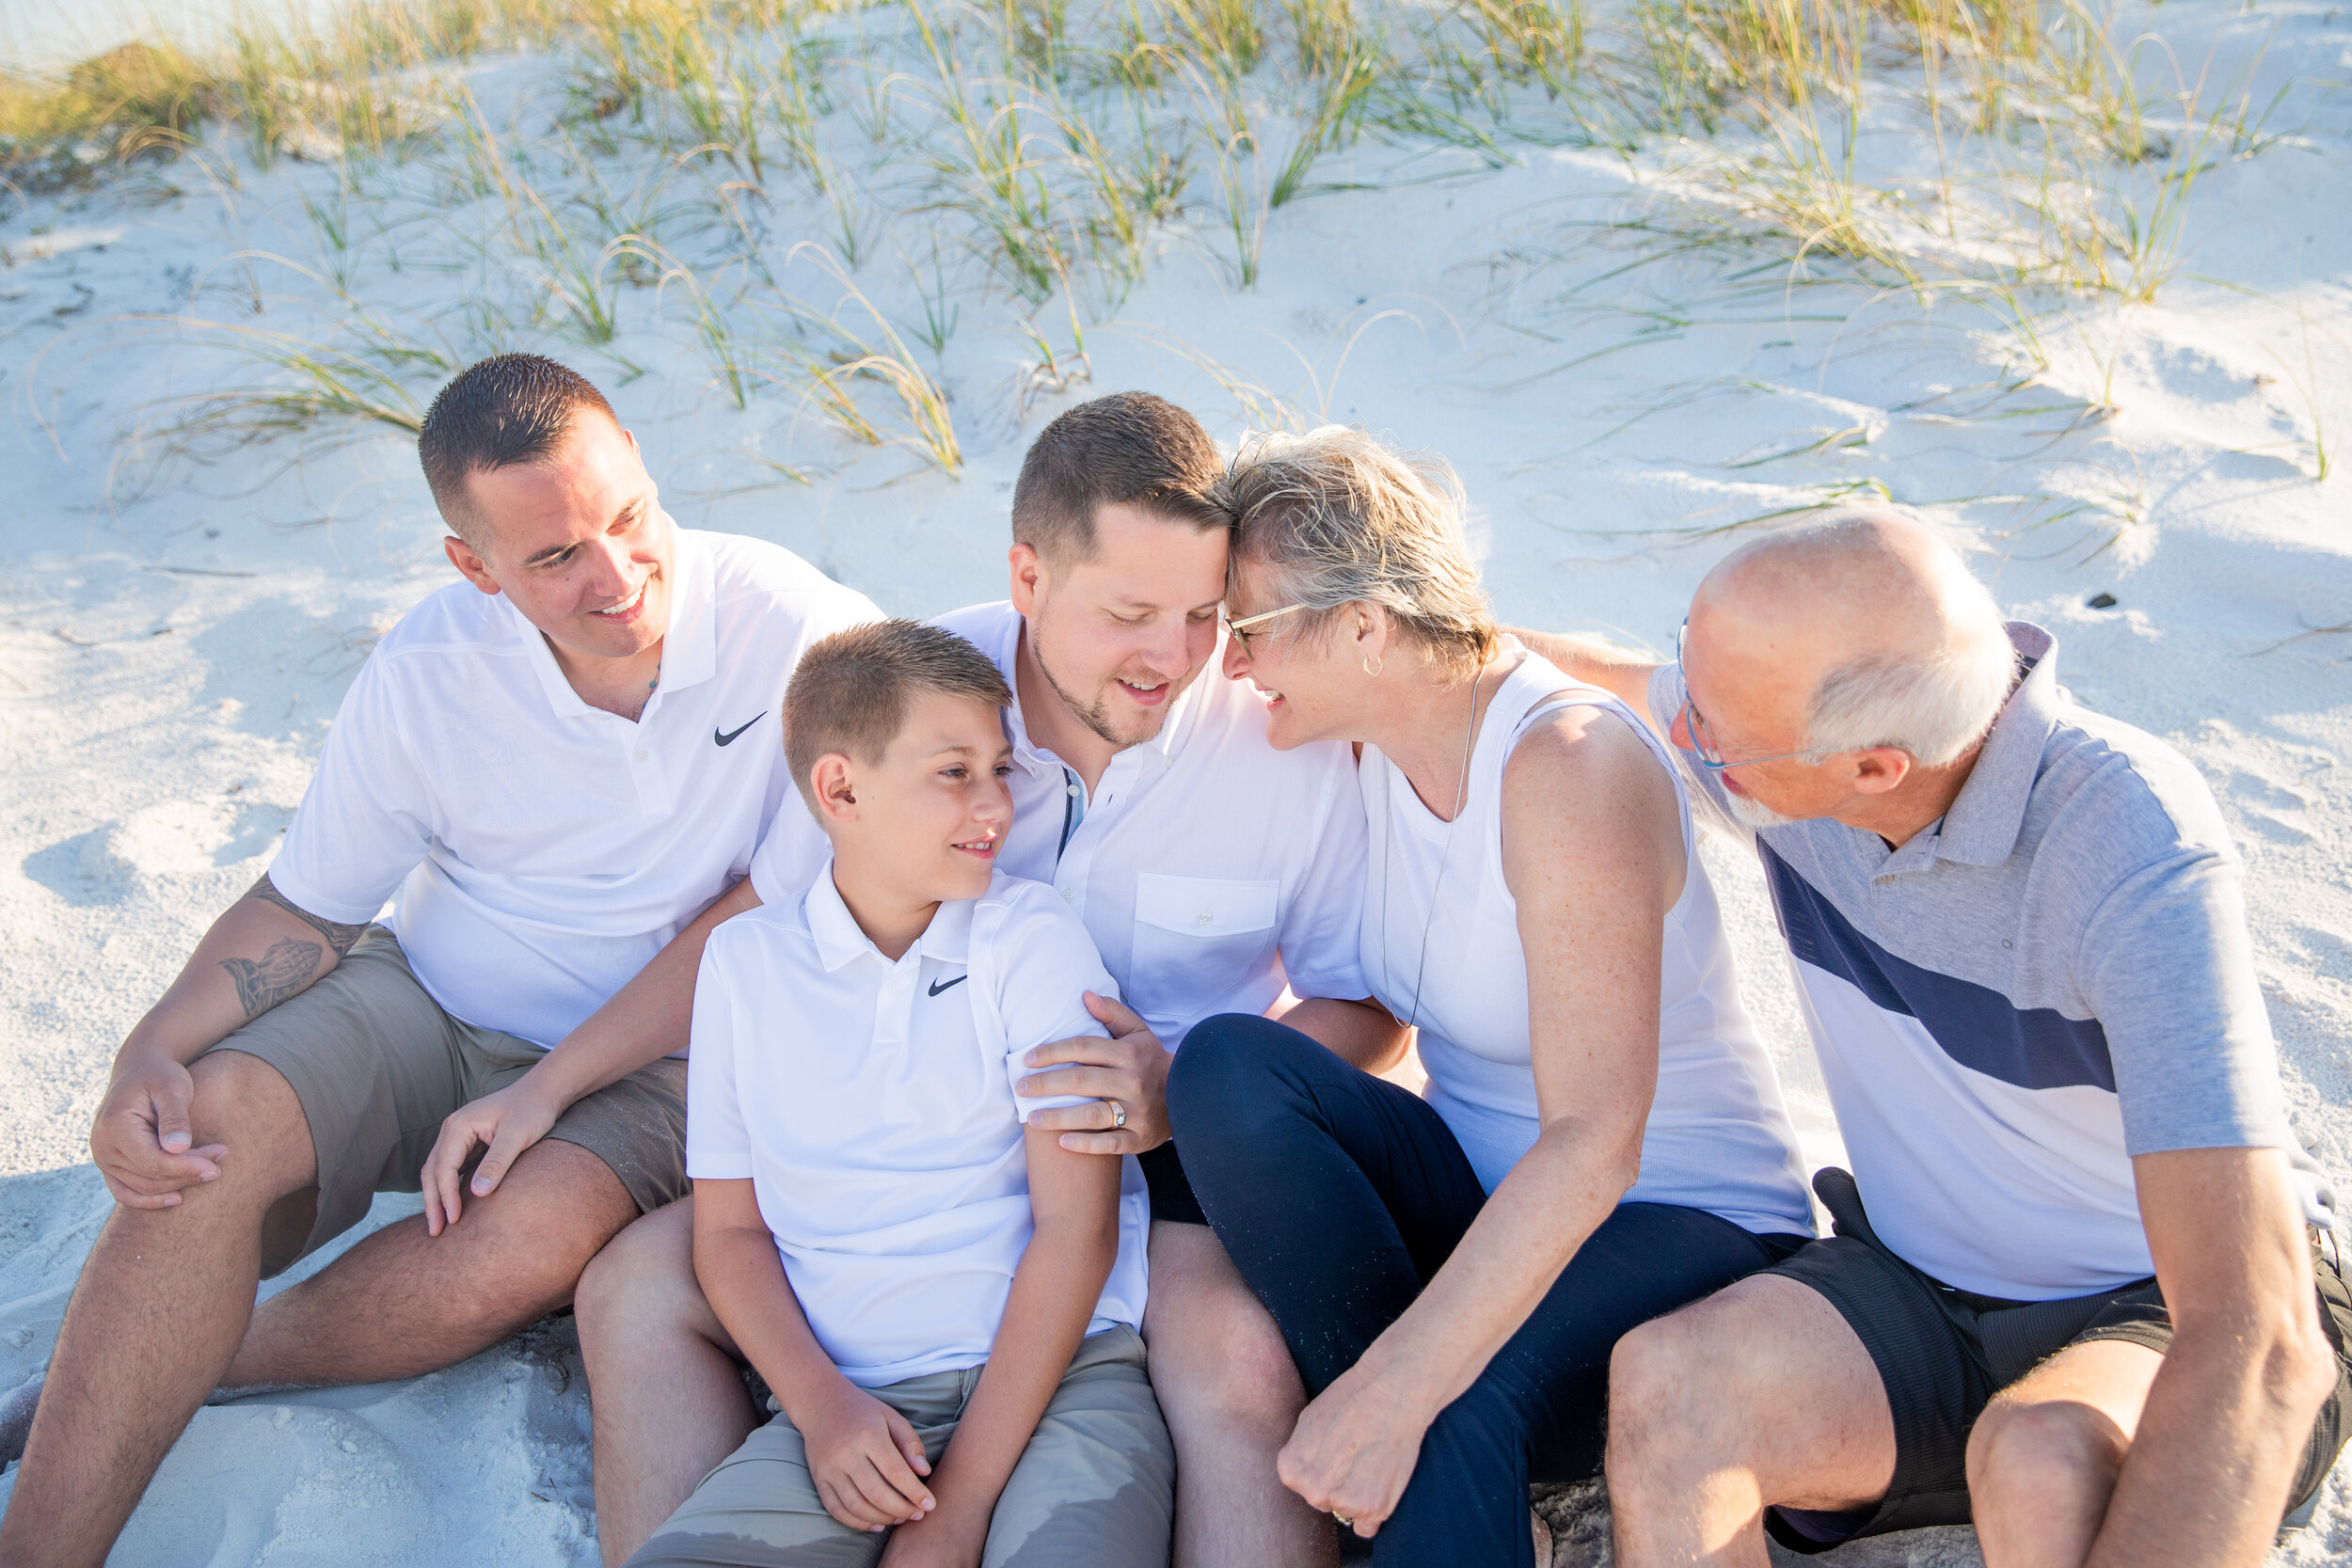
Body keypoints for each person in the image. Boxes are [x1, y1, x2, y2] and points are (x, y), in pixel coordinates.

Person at [0, 354, 879, 1568]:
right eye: (556, 557)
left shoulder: (802, 633)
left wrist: (547, 1087)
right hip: (435, 998)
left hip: (666, 1052)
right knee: (207, 1122)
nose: (617, 576)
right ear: (475, 567)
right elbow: (306, 906)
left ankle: (179, 1360)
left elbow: (751, 919)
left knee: (526, 1232)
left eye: (627, 517)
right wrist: (148, 1044)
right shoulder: (427, 670)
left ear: (643, 464)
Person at [549, 392, 1404, 1567]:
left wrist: (1196, 1086)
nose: (1172, 656)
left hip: (1167, 1143)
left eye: (1204, 615)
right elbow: (770, 921)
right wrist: (544, 1087)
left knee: (1235, 1355)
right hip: (912, 1146)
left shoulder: (1281, 738)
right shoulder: (927, 702)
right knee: (633, 1285)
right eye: (1128, 612)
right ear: (1027, 576)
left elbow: (1364, 1005)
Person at [1523, 510, 2351, 1568]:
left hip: (2154, 1315)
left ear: (1873, 768)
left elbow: (2260, 1337)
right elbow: (1588, 675)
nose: (1682, 737)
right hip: (1917, 1286)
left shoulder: (2129, 843)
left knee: (2038, 1456)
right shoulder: (1777, 732)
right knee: (1670, 1387)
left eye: (1712, 737)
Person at [1164, 425, 1817, 1568]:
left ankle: (1415, 1451)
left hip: (1677, 1225)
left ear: (1366, 626)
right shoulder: (1372, 736)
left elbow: (1596, 1140)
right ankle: (1422, 1476)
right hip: (1485, 1197)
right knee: (1224, 1066)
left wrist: (1398, 1383)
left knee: (1447, 1400)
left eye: (1248, 629)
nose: (1230, 664)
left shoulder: (1563, 765)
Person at [627, 620, 1170, 1568]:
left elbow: (1075, 1231)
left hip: (1060, 1380)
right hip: (855, 1402)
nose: (995, 803)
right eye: (953, 772)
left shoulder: (1030, 937)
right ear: (840, 788)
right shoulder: (744, 965)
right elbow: (731, 1234)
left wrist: (955, 1511)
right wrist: (821, 1409)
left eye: (1000, 768)